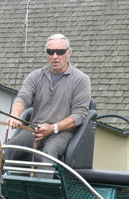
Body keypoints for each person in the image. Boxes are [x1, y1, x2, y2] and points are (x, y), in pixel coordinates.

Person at [5, 34, 91, 173]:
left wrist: (53, 128)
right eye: (51, 52)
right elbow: (23, 97)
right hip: (36, 130)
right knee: (10, 147)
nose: (55, 56)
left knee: (49, 152)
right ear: (46, 54)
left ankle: (43, 193)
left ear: (69, 53)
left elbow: (79, 115)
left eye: (60, 52)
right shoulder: (35, 76)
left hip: (62, 132)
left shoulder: (81, 80)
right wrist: (15, 114)